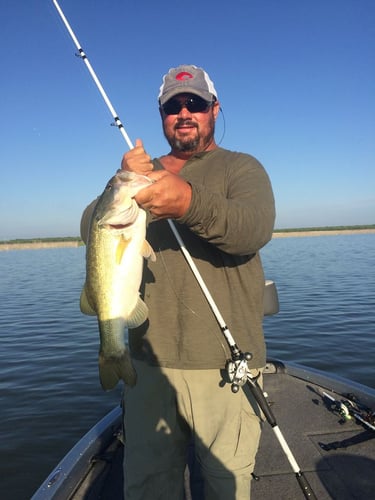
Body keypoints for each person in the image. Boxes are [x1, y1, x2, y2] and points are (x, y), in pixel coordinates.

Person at [82, 64, 275, 500]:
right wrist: (118, 180)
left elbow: (252, 228)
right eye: (173, 105)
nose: (184, 112)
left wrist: (185, 201)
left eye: (196, 103)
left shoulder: (241, 169)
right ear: (162, 114)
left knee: (227, 485)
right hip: (150, 366)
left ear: (214, 109)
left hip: (225, 366)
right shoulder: (136, 179)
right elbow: (89, 229)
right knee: (148, 484)